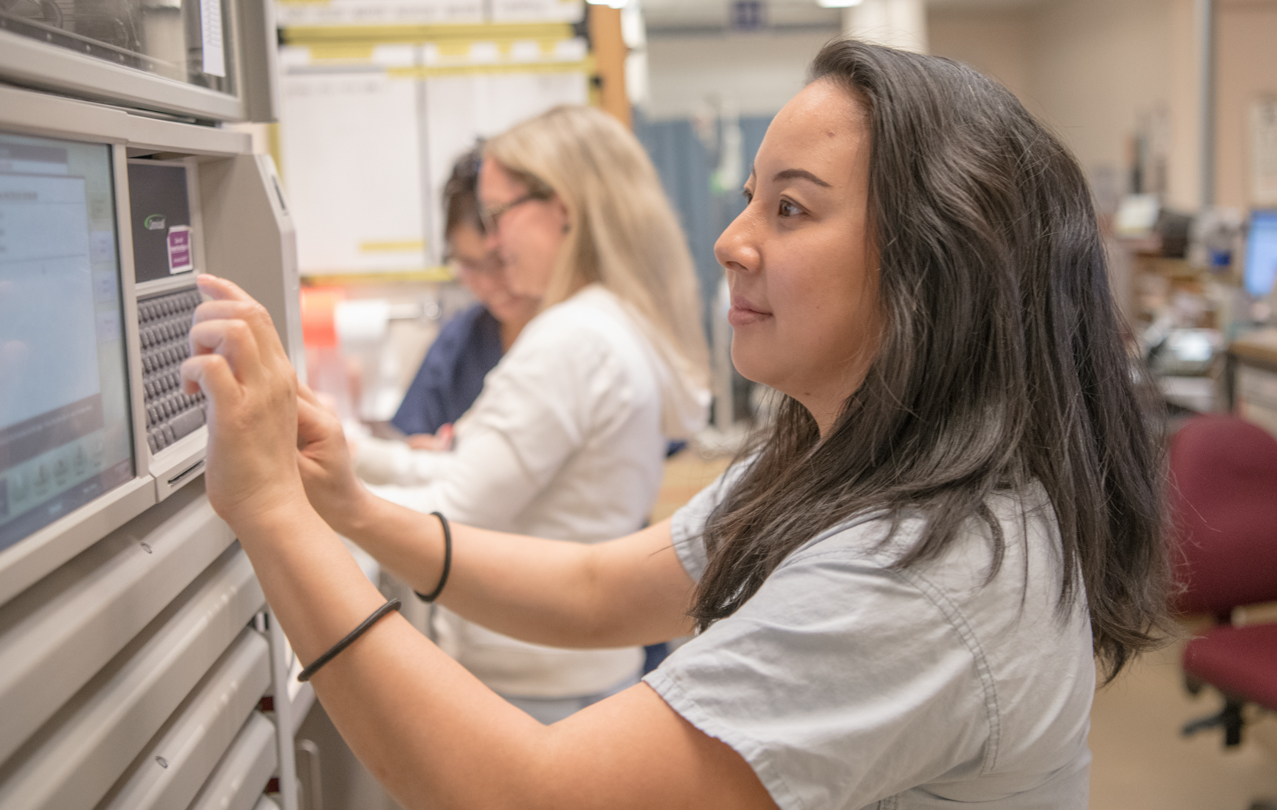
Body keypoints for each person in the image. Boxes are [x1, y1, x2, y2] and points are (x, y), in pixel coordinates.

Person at [185, 41, 1171, 809]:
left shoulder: (930, 572)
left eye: (790, 210)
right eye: (751, 200)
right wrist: (350, 507)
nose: (732, 241)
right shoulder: (838, 464)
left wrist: (272, 512)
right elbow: (595, 587)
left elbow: (531, 795)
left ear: (934, 260)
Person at [349, 106, 712, 723]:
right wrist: (349, 451)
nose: (491, 244)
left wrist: (316, 497)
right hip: (573, 670)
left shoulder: (571, 340)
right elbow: (465, 474)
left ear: (563, 207)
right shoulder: (614, 323)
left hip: (535, 681)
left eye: (496, 217)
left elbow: (450, 515)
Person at [380, 144, 537, 451]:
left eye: (500, 261)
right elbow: (408, 442)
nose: (489, 282)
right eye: (468, 264)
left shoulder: (576, 336)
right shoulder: (462, 342)